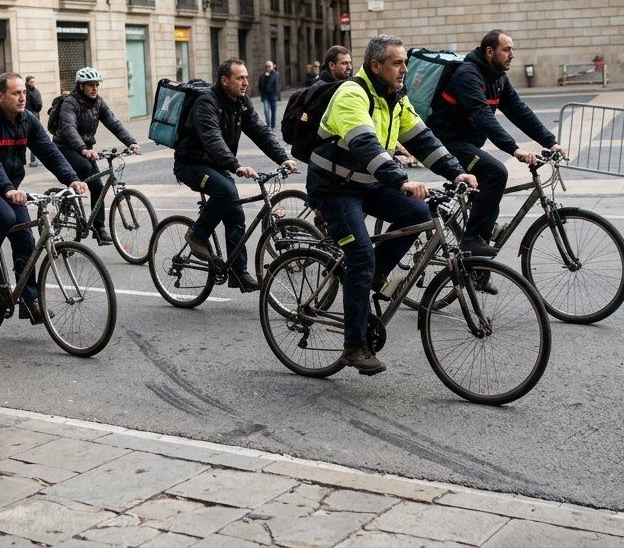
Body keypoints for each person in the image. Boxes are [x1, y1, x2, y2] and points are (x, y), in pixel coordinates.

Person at [309, 34, 477, 375]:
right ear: (376, 66)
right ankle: (354, 346)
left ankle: (375, 273)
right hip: (335, 189)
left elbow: (423, 139)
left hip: (369, 183)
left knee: (418, 212)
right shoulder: (352, 94)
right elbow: (365, 144)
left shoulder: (395, 98)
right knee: (360, 256)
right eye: (397, 63)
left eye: (405, 62)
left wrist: (456, 171)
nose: (404, 69)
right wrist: (401, 180)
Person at [0, 73, 86, 323]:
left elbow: (49, 151)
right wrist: (8, 188)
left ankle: (29, 300)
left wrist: (71, 178)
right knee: (4, 216)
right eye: (16, 93)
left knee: (26, 240)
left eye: (24, 93)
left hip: (9, 189)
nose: (22, 98)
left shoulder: (27, 119)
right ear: (0, 96)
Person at [427, 30, 565, 256]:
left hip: (467, 143)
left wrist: (550, 142)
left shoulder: (498, 77)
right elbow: (482, 116)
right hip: (445, 142)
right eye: (506, 49)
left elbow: (520, 111)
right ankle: (472, 240)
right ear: (490, 51)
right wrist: (514, 149)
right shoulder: (468, 75)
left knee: (485, 188)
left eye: (512, 49)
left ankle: (478, 261)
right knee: (495, 173)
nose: (512, 54)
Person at [175, 58, 297, 292]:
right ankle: (197, 235)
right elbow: (212, 139)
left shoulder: (241, 103)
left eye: (246, 78)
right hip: (191, 164)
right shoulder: (206, 102)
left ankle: (237, 273)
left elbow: (260, 132)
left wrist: (283, 158)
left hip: (216, 165)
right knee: (226, 191)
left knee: (236, 214)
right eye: (240, 78)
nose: (246, 82)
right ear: (225, 80)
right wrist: (236, 166)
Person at [51, 67, 140, 243]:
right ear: (81, 86)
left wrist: (131, 141)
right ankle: (65, 204)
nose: (94, 88)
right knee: (84, 168)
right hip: (64, 147)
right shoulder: (70, 102)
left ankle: (99, 229)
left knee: (98, 187)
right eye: (90, 85)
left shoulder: (98, 102)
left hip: (85, 149)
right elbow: (69, 128)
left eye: (96, 85)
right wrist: (83, 148)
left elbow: (113, 123)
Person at [25, 76, 43, 166]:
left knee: (32, 138)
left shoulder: (35, 91)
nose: (32, 84)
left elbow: (39, 105)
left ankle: (33, 160)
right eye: (31, 82)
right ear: (27, 82)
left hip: (33, 117)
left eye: (33, 82)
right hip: (26, 117)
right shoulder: (25, 92)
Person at [258, 61, 281, 128]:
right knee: (266, 111)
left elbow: (278, 85)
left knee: (273, 111)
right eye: (266, 66)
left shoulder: (276, 74)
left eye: (269, 66)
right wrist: (266, 77)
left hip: (273, 95)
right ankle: (268, 124)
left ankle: (273, 125)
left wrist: (277, 95)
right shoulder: (262, 76)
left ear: (272, 67)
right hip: (265, 96)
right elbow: (260, 86)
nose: (268, 68)